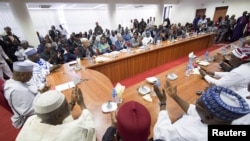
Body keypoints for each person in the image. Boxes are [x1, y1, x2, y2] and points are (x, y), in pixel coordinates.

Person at [153, 80, 250, 141]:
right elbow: (193, 111)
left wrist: (163, 103)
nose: (195, 105)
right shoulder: (217, 120)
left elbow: (160, 132)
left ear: (208, 116)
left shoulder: (193, 135)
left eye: (198, 104)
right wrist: (175, 96)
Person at [16, 86, 96, 141]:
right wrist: (82, 104)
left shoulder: (31, 120)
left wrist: (72, 103)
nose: (69, 104)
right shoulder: (72, 132)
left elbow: (57, 118)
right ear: (59, 115)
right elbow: (90, 127)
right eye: (67, 104)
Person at [3, 61, 37, 128]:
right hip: (29, 120)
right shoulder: (16, 90)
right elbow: (29, 111)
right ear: (22, 75)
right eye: (30, 74)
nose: (31, 76)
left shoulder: (13, 81)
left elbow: (29, 88)